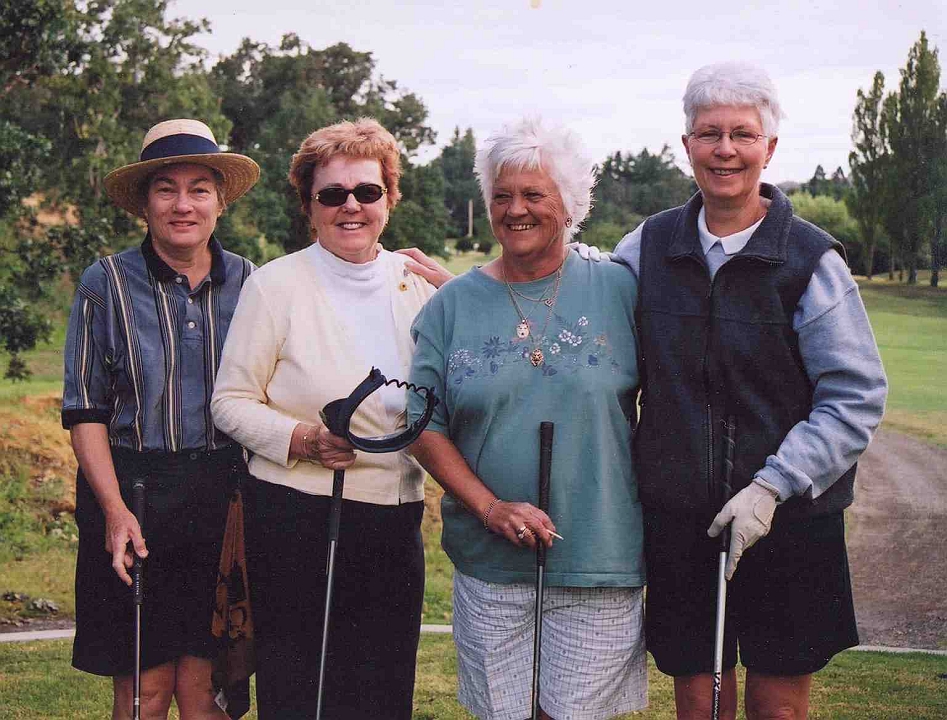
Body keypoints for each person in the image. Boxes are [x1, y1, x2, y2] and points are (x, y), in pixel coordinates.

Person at [611, 62, 888, 720]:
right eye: (708, 133)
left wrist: (769, 487)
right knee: (699, 705)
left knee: (777, 709)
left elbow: (854, 397)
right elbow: (582, 325)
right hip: (681, 520)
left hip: (787, 519)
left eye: (742, 134)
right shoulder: (645, 248)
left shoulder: (809, 258)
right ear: (686, 147)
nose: (725, 150)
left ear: (769, 147)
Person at [408, 117, 648, 720]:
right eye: (502, 197)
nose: (516, 210)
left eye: (534, 195)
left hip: (600, 555)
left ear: (569, 205)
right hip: (491, 564)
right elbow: (424, 424)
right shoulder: (451, 305)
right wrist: (490, 508)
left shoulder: (621, 290)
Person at [210, 118, 440, 720]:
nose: (351, 207)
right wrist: (301, 439)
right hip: (297, 519)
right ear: (309, 207)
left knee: (384, 693)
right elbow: (229, 401)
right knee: (300, 692)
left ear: (389, 198)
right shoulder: (275, 286)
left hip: (394, 519)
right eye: (331, 195)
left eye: (367, 191)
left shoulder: (420, 288)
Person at [62, 119, 260, 719]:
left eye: (200, 188)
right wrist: (115, 509)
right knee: (145, 689)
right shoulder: (105, 284)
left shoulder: (252, 283)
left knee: (205, 693)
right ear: (144, 204)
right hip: (132, 499)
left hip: (223, 500)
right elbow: (85, 412)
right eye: (166, 189)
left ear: (220, 202)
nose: (183, 204)